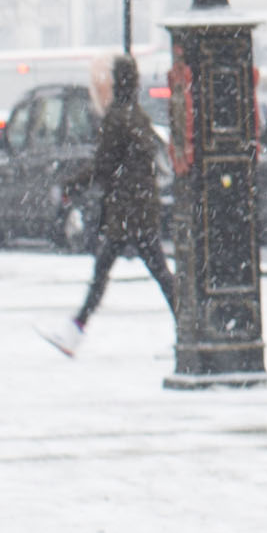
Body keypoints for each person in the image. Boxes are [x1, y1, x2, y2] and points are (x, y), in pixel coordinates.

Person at [41, 55, 173, 358]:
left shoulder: (117, 117)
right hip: (139, 206)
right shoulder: (137, 115)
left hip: (128, 210)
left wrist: (71, 187)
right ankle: (75, 329)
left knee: (117, 272)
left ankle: (75, 331)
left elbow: (103, 166)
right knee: (148, 271)